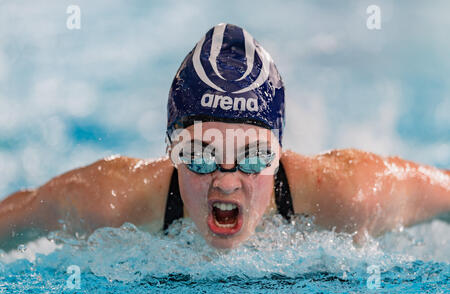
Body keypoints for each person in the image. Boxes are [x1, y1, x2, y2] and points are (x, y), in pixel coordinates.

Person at [0, 23, 449, 250]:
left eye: (253, 156)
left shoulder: (352, 194)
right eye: (199, 154)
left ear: (279, 155)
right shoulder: (108, 201)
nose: (227, 181)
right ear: (171, 151)